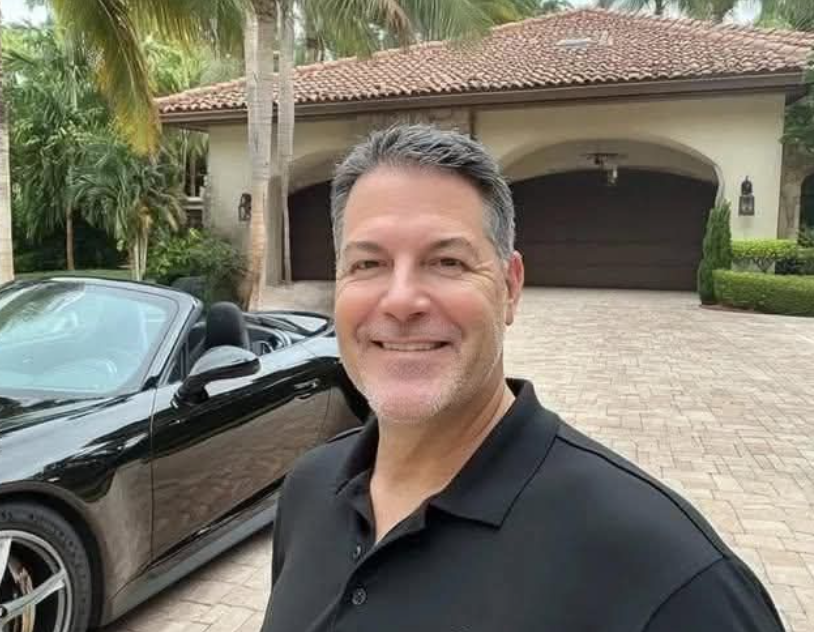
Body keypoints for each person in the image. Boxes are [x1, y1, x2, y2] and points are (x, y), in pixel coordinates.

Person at [260, 124, 785, 632]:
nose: (400, 301)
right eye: (367, 264)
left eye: (447, 262)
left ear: (510, 288)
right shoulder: (309, 490)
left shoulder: (666, 574)